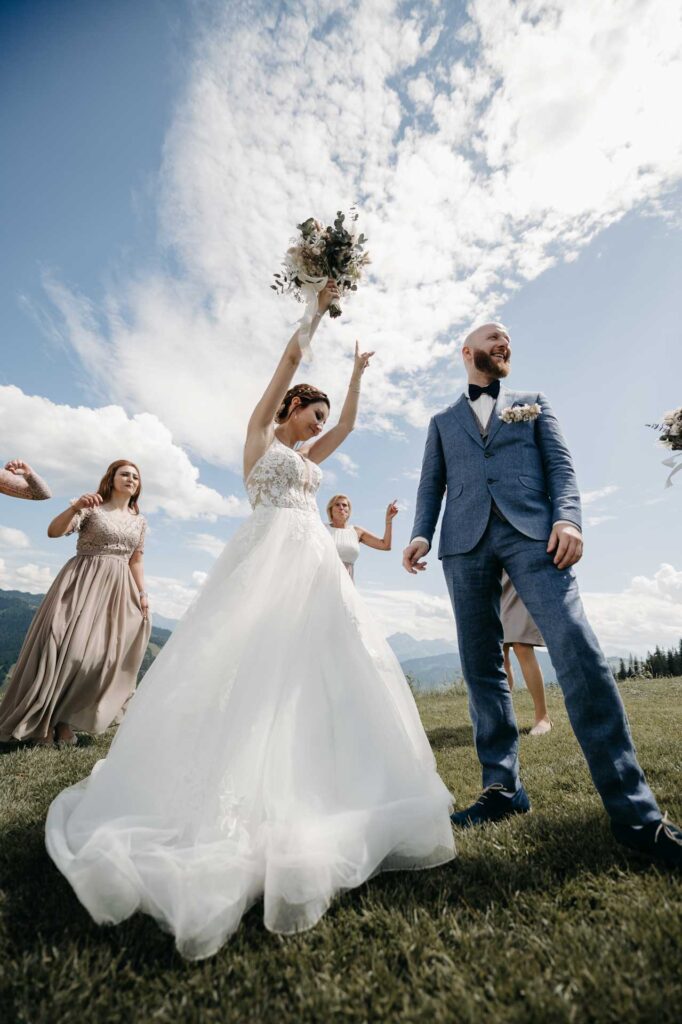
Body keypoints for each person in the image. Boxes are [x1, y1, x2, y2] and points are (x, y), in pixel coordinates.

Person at [45, 281, 455, 960]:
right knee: (247, 667)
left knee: (325, 672)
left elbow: (351, 428)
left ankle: (329, 784)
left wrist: (355, 376)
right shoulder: (261, 438)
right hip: (265, 562)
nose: (319, 424)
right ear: (291, 411)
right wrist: (315, 316)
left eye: (321, 417)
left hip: (315, 569)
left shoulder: (314, 455)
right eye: (312, 413)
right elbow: (285, 370)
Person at [402, 321, 681, 867]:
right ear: (467, 352)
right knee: (481, 666)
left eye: (509, 340)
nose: (505, 344)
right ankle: (503, 790)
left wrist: (570, 519)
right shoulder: (441, 422)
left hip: (536, 536)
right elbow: (430, 483)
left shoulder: (534, 403)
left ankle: (635, 813)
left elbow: (561, 468)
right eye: (494, 338)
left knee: (577, 649)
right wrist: (419, 534)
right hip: (463, 546)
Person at [0, 461, 150, 747]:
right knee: (65, 651)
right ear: (111, 479)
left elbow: (136, 560)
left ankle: (64, 720)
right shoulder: (91, 507)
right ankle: (42, 722)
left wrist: (142, 593)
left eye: (135, 476)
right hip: (80, 582)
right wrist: (74, 507)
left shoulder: (140, 521)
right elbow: (53, 532)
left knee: (98, 660)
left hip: (116, 590)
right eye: (124, 474)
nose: (130, 479)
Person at [501, 571, 552, 736]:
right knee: (498, 651)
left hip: (517, 571)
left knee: (522, 644)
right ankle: (502, 717)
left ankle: (542, 717)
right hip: (487, 570)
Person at [326, 493, 399, 580]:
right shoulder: (322, 528)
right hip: (324, 579)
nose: (341, 507)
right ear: (330, 510)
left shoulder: (356, 531)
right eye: (337, 505)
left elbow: (385, 545)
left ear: (349, 510)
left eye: (345, 505)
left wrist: (388, 520)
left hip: (347, 582)